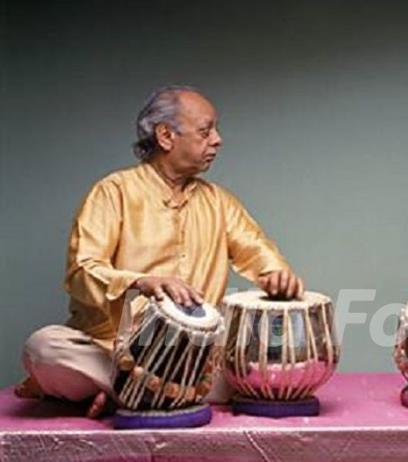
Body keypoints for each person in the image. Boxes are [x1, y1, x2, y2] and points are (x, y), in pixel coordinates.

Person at [16, 86, 304, 417]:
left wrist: (276, 275)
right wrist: (141, 282)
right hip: (115, 350)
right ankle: (156, 390)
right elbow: (82, 272)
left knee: (272, 356)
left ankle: (127, 393)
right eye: (205, 130)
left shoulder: (219, 202)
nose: (217, 140)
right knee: (43, 349)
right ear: (166, 136)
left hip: (195, 357)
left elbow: (258, 250)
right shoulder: (113, 192)